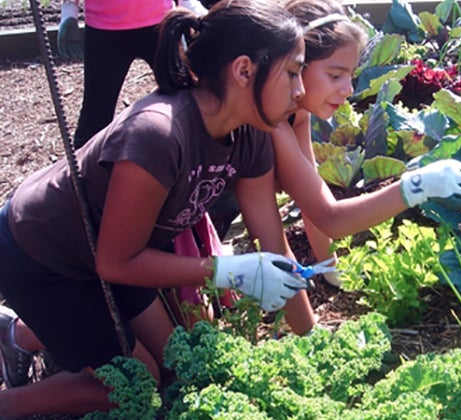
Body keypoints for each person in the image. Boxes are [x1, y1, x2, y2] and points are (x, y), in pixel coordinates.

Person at [0, 1, 309, 416]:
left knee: (180, 369)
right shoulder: (158, 135)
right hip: (40, 255)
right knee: (134, 386)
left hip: (118, 250)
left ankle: (15, 335)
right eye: (293, 73)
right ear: (243, 70)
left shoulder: (251, 134)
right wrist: (227, 270)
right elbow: (115, 263)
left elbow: (275, 246)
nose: (301, 91)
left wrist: (315, 344)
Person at [233, 0, 461, 292]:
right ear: (296, 63)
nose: (348, 90)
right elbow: (327, 219)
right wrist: (419, 185)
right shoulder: (271, 124)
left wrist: (330, 267)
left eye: (350, 76)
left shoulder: (298, 113)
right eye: (335, 76)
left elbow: (312, 201)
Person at [57, 0, 208, 149]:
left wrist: (191, 6)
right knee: (97, 110)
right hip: (105, 28)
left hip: (159, 22)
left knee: (183, 95)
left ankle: (199, 158)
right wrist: (69, 11)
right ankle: (83, 168)